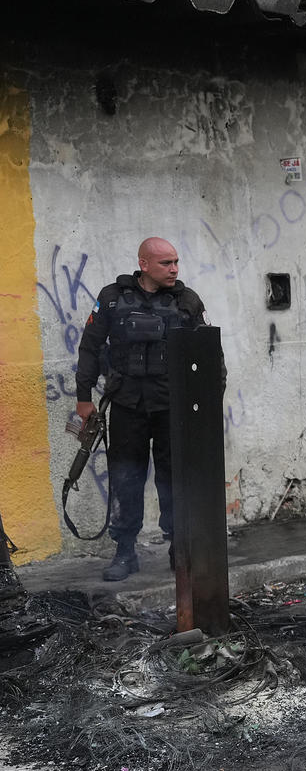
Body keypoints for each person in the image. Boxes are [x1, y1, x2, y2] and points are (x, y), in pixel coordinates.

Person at [74, 237, 208, 582]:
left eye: (177, 262)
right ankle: (125, 551)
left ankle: (179, 546)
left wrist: (208, 403)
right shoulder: (113, 299)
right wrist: (83, 397)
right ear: (144, 264)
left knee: (174, 478)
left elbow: (209, 354)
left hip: (171, 407)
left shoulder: (187, 301)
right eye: (166, 263)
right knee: (126, 477)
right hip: (127, 405)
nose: (175, 269)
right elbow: (89, 347)